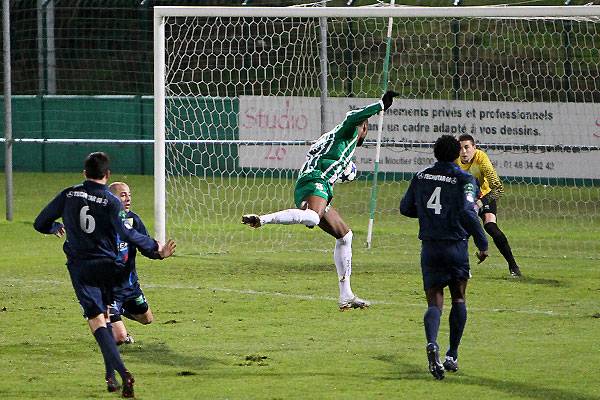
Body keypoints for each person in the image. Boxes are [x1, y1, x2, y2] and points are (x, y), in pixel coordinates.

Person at [242, 90, 400, 311]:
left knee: (345, 236)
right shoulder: (348, 131)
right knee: (312, 218)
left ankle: (346, 296)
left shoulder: (336, 141)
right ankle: (262, 219)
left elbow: (335, 164)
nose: (366, 131)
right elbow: (352, 117)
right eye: (366, 127)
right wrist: (380, 106)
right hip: (314, 181)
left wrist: (346, 172)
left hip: (318, 183)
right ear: (363, 127)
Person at [33, 152, 171, 397]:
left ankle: (120, 372)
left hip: (82, 267)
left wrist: (55, 226)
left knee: (98, 322)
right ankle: (110, 376)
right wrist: (155, 247)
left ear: (84, 173)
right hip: (109, 268)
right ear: (107, 175)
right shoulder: (110, 201)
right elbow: (127, 234)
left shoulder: (69, 194)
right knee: (107, 320)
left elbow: (40, 222)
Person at [400, 135, 489, 380]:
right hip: (456, 248)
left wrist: (430, 216)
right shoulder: (464, 178)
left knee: (434, 303)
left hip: (429, 248)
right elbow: (468, 212)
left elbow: (405, 208)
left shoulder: (420, 176)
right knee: (459, 299)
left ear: (435, 154)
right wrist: (482, 242)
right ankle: (452, 354)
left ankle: (432, 344)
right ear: (454, 155)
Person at [108, 181, 176, 345]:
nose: (128, 199)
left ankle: (119, 311)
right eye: (123, 195)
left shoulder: (133, 220)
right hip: (107, 290)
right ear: (111, 198)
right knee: (119, 338)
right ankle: (103, 315)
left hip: (129, 285)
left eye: (129, 195)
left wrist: (160, 254)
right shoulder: (102, 222)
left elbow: (145, 247)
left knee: (147, 319)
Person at [456, 134, 522, 277]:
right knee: (462, 231)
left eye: (467, 147)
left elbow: (498, 189)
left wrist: (480, 202)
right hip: (465, 199)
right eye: (460, 148)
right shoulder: (454, 162)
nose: (464, 152)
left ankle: (513, 267)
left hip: (485, 196)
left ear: (474, 147)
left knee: (491, 227)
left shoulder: (482, 159)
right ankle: (464, 268)